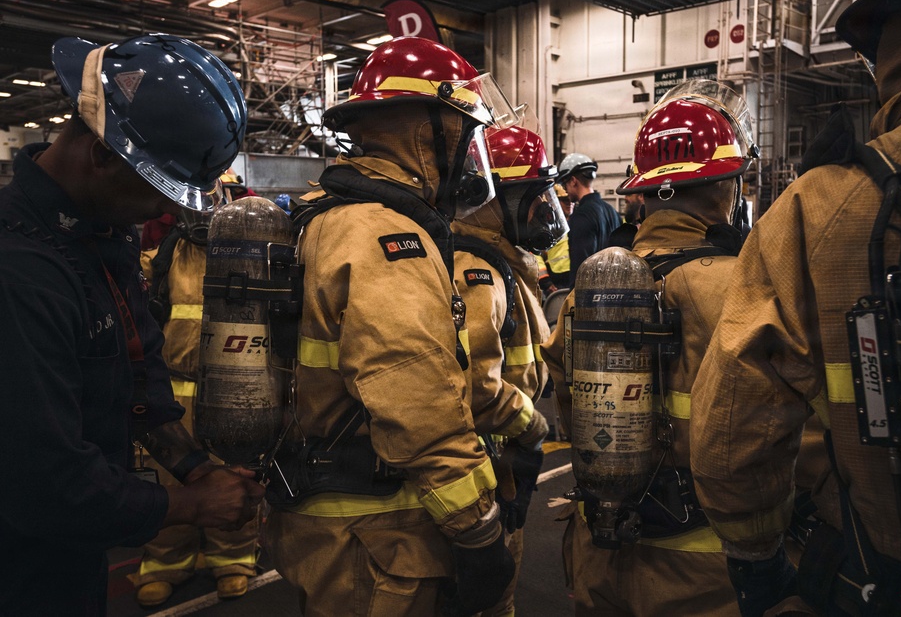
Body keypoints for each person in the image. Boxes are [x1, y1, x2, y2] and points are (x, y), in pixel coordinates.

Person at [689, 0, 901, 615]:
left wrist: (757, 562)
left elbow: (733, 429)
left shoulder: (816, 208)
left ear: (886, 50)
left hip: (884, 582)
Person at [0, 33, 263, 616]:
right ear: (101, 155)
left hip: (72, 556)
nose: (166, 210)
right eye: (158, 188)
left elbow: (137, 373)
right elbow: (45, 483)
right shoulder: (20, 272)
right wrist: (190, 506)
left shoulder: (99, 234)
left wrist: (195, 467)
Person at [261, 36, 516, 617]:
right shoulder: (384, 236)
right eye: (464, 130)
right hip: (378, 536)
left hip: (331, 523)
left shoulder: (326, 215)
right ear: (430, 132)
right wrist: (478, 531)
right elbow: (418, 400)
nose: (469, 148)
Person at [541, 80, 755, 616]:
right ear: (724, 186)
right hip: (704, 573)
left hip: (602, 554)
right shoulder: (746, 289)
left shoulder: (588, 294)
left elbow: (569, 403)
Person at [452, 123, 567, 616]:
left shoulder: (503, 262)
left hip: (500, 460)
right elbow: (477, 388)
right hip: (485, 465)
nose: (545, 209)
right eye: (534, 196)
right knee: (489, 599)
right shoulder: (475, 270)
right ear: (496, 200)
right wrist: (533, 426)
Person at [132, 174, 262, 607]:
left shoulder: (252, 257)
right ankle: (164, 563)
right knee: (169, 476)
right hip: (173, 392)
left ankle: (234, 557)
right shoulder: (164, 257)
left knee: (234, 472)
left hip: (233, 387)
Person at [558, 153, 621, 286]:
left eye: (565, 184)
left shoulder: (580, 216)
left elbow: (581, 268)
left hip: (591, 293)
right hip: (615, 288)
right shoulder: (612, 212)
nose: (566, 190)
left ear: (573, 181)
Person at [536, 183, 573, 296]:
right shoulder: (547, 226)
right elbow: (536, 254)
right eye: (565, 200)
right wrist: (546, 282)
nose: (569, 203)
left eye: (571, 200)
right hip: (556, 283)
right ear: (555, 202)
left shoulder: (578, 221)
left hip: (574, 279)